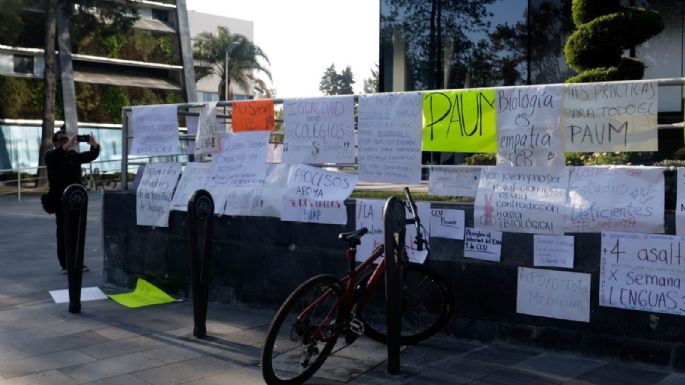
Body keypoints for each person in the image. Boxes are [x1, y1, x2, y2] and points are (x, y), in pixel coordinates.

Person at [45, 130, 100, 273]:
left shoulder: (72, 155)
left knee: (77, 232)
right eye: (62, 139)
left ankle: (77, 262)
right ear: (56, 143)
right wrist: (67, 145)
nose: (65, 141)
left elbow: (89, 156)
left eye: (66, 138)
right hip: (60, 200)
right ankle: (65, 263)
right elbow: (57, 156)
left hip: (76, 200)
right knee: (63, 232)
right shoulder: (51, 156)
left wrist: (94, 145)